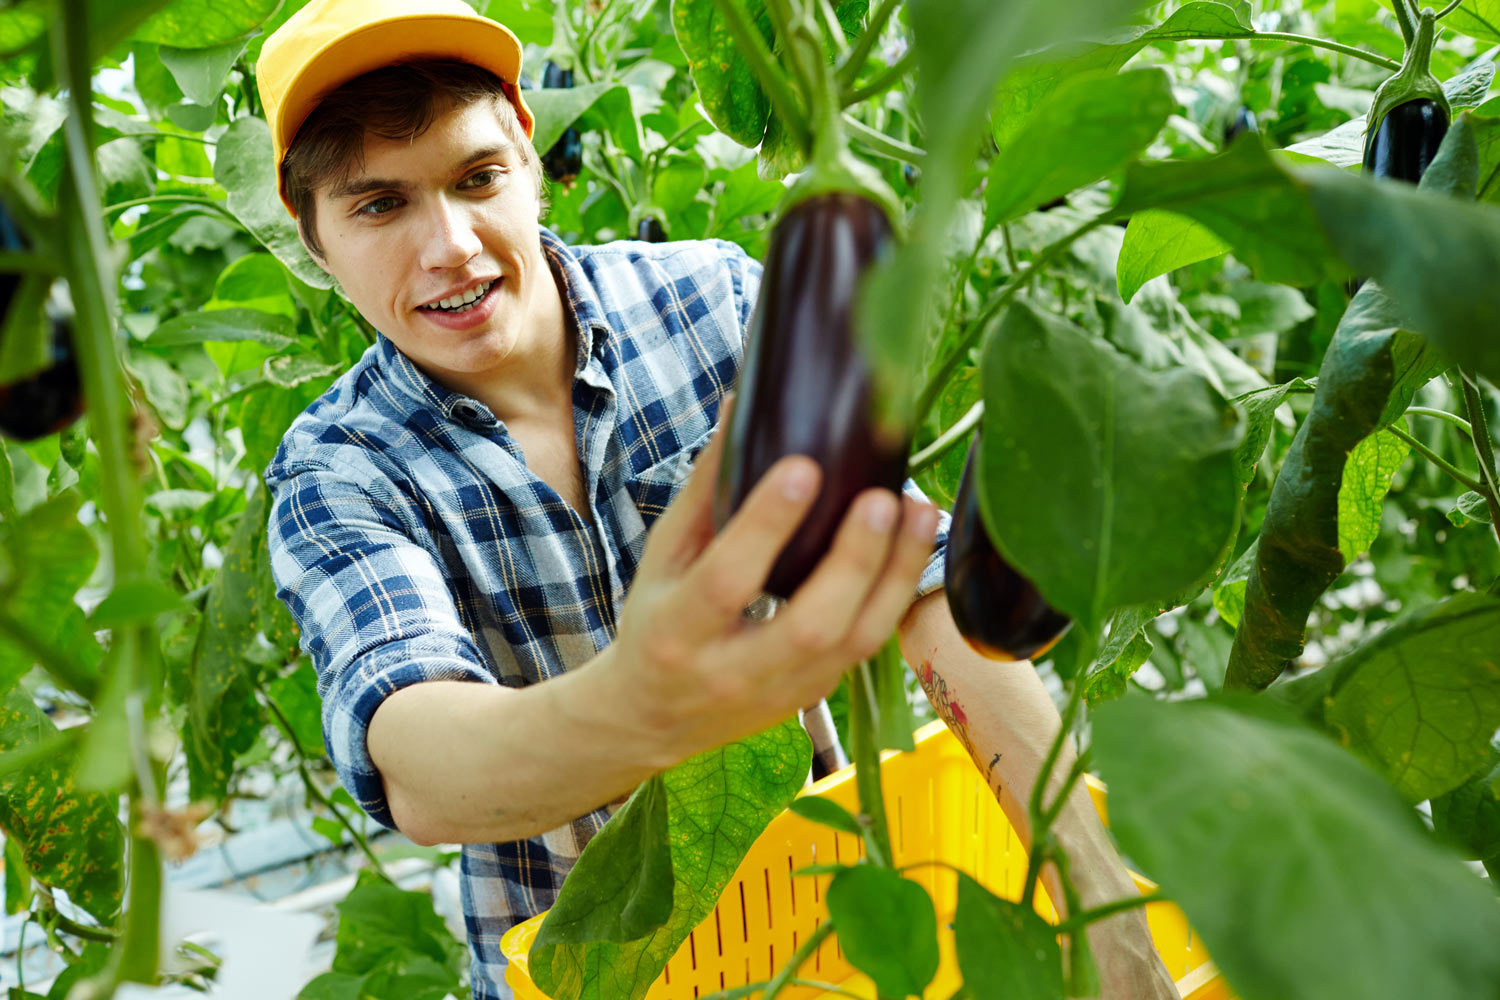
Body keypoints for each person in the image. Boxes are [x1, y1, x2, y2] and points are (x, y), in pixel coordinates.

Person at [257, 1, 1179, 997]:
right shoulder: (339, 470)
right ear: (314, 240)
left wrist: (1093, 893)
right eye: (379, 206)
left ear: (529, 155)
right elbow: (417, 761)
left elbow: (916, 579)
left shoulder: (715, 305)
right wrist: (640, 708)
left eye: (475, 178)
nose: (452, 246)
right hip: (579, 972)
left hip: (817, 933)